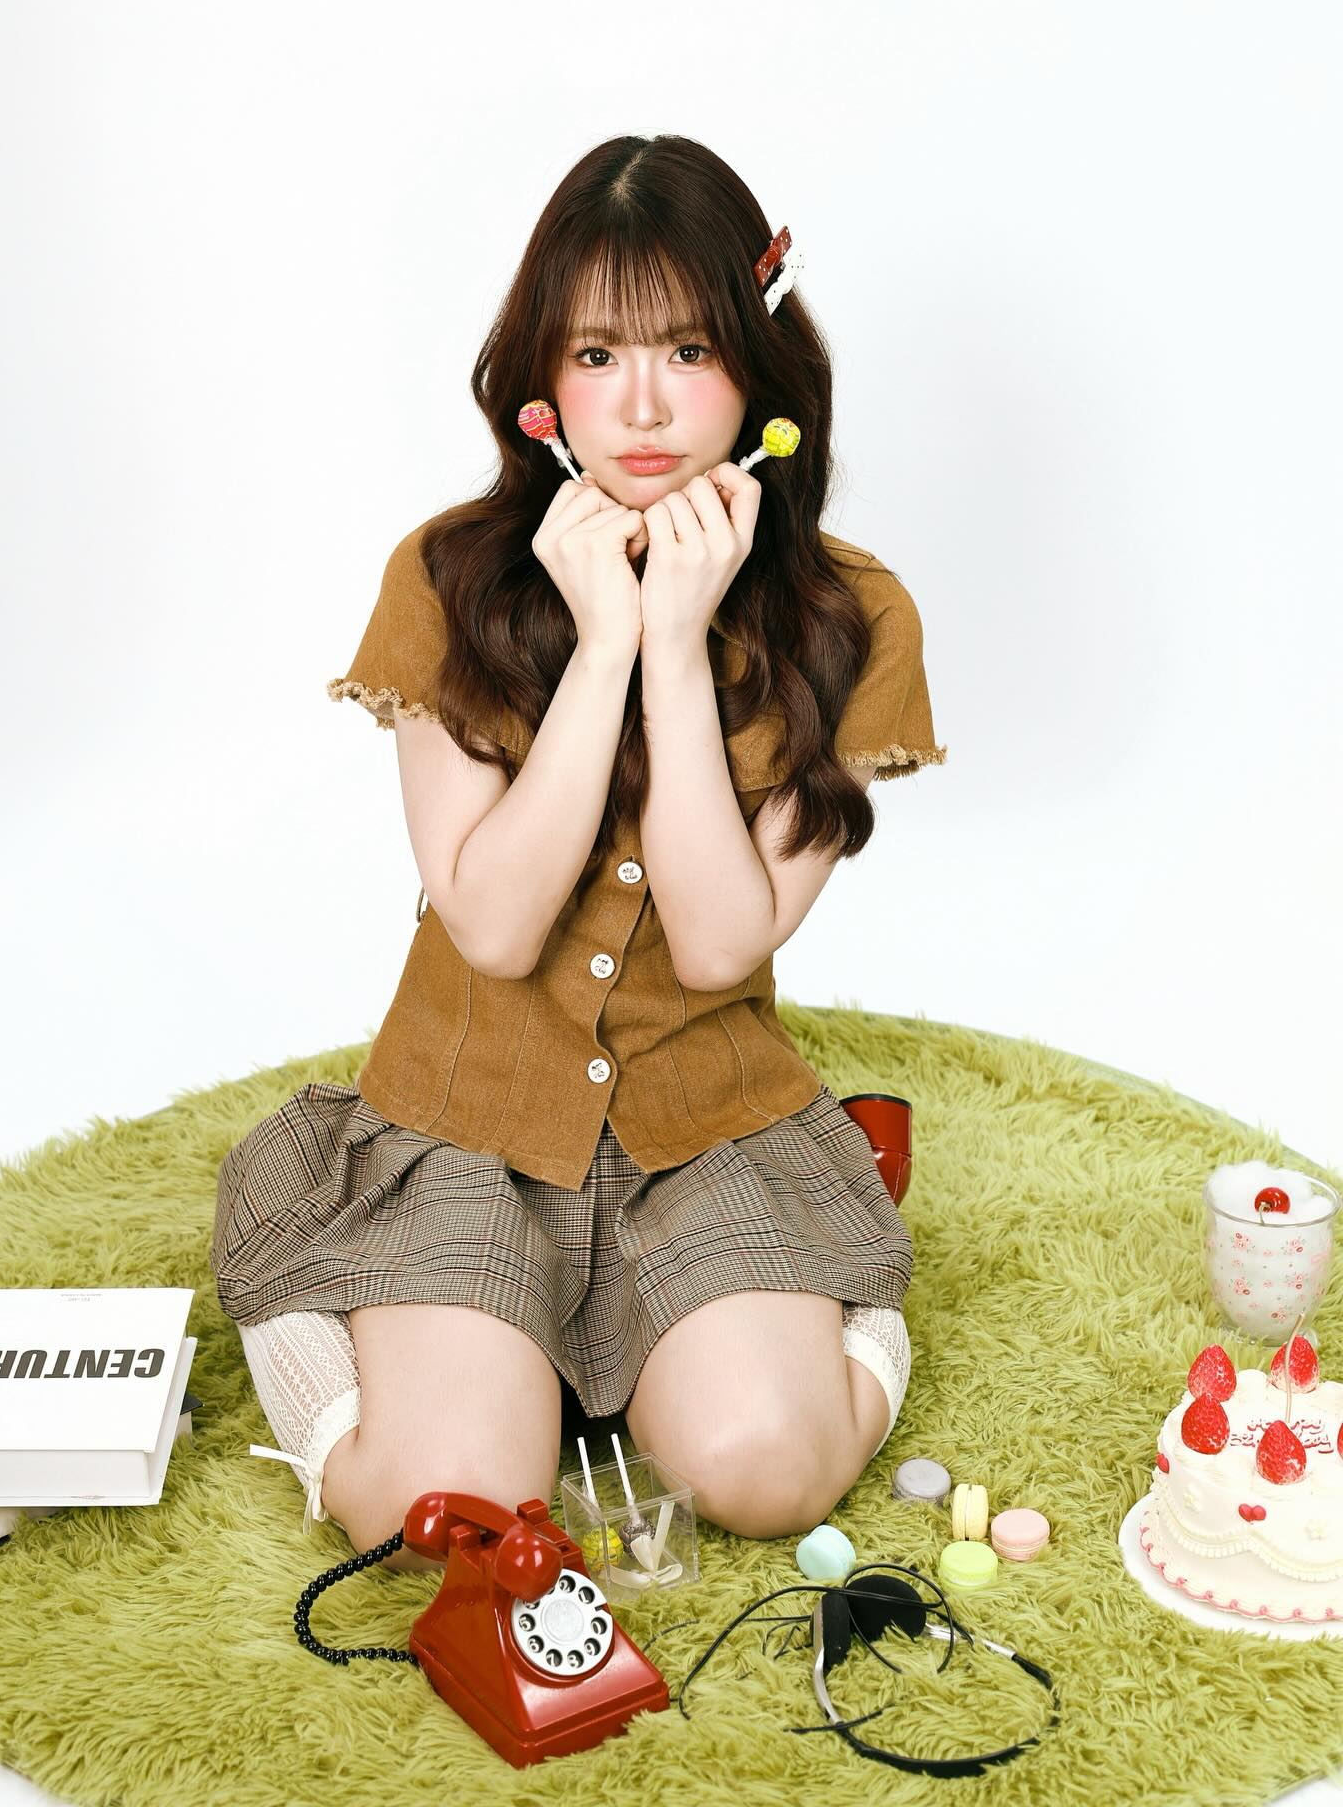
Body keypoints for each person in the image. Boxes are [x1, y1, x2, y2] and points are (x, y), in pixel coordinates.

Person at [208, 134, 947, 1573]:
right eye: (601, 354)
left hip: (709, 1131)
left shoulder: (854, 616)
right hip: (466, 1125)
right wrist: (602, 641)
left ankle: (843, 1297)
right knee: (442, 1510)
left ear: (758, 368)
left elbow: (722, 942)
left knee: (765, 1473)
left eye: (690, 349)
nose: (647, 405)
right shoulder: (450, 577)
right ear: (544, 381)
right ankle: (322, 1295)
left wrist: (675, 638)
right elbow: (491, 926)